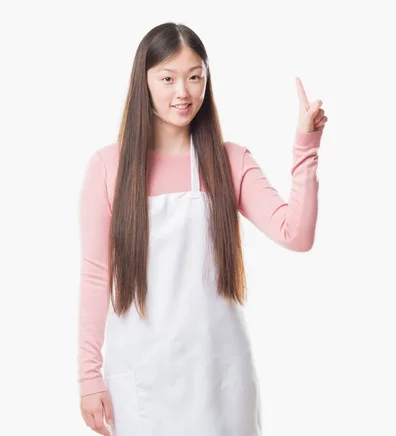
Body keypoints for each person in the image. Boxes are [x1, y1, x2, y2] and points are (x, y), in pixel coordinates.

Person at [77, 22, 327, 436]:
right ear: (144, 81)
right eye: (168, 78)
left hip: (220, 375)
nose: (184, 92)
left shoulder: (229, 161)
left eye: (195, 77)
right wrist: (88, 376)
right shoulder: (108, 168)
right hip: (142, 378)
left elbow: (295, 235)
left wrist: (306, 147)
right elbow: (94, 275)